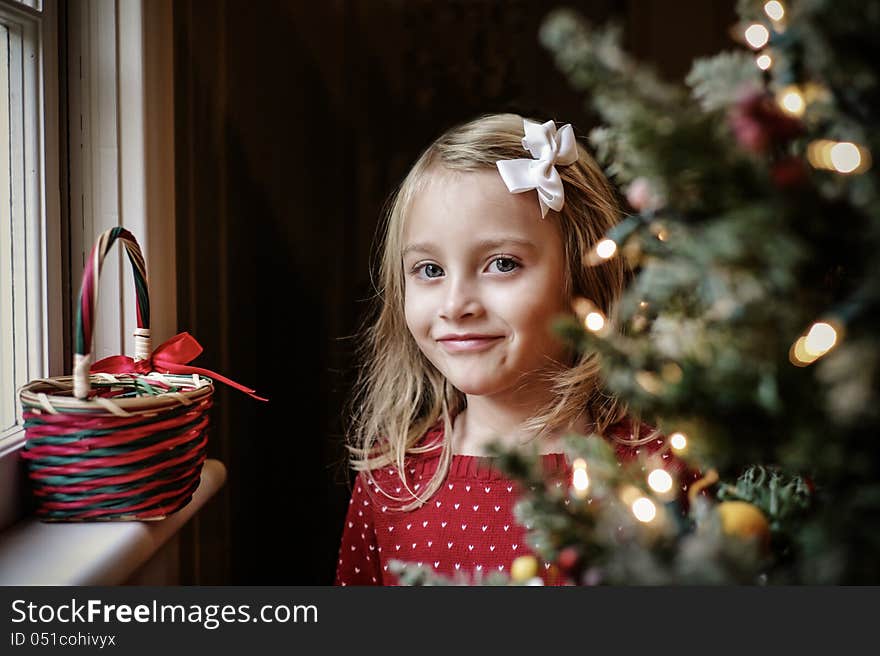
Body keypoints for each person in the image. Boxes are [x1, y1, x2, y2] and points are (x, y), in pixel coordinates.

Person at [334, 113, 691, 586]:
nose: (456, 305)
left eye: (502, 264)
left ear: (582, 276)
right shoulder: (392, 480)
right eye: (429, 270)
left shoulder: (656, 471)